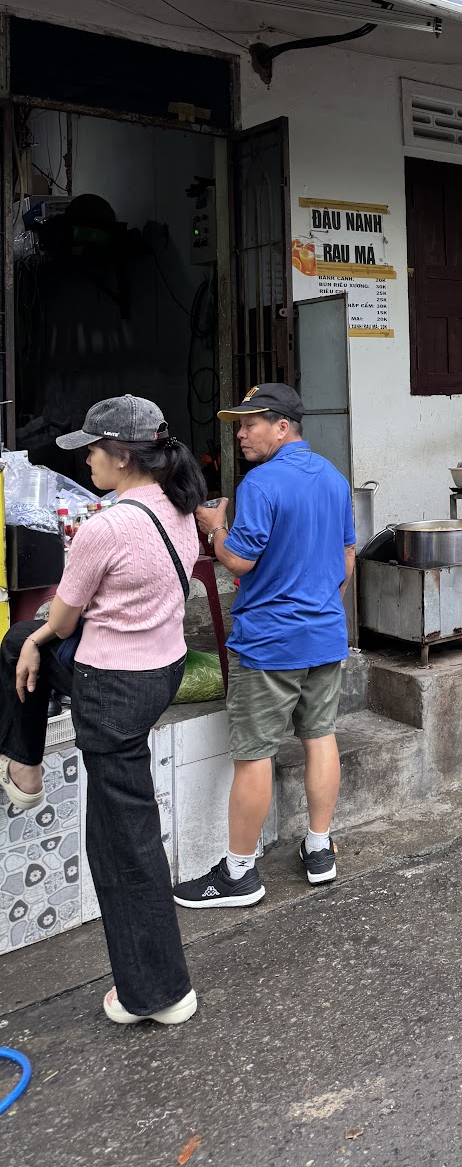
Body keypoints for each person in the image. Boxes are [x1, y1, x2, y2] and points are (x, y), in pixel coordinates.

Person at [0, 396, 204, 1026]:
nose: (86, 459)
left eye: (91, 449)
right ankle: (24, 765)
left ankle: (158, 993)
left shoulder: (106, 525)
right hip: (159, 672)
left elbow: (62, 617)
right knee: (15, 647)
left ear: (121, 454)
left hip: (112, 689)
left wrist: (39, 638)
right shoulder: (179, 506)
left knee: (123, 845)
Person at [174, 384, 356, 909]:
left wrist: (215, 527)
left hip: (271, 643)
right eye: (239, 423)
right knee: (320, 737)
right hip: (325, 635)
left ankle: (239, 874)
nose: (240, 432)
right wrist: (324, 605)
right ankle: (319, 850)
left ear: (283, 427)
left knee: (254, 755)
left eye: (250, 423)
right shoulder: (333, 476)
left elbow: (238, 561)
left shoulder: (260, 484)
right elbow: (347, 552)